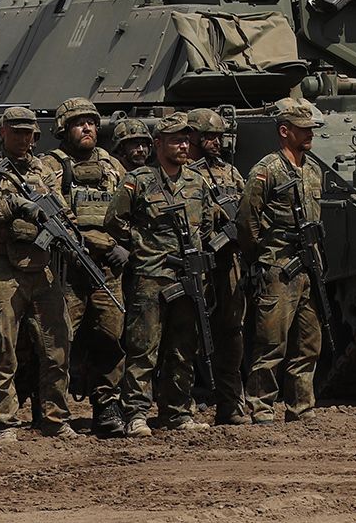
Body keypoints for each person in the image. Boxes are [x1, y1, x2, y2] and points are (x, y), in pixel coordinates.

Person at [0, 106, 78, 441]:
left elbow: (61, 210)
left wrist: (69, 232)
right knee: (2, 347)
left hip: (42, 266)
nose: (22, 138)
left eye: (28, 132)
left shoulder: (44, 170)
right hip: (2, 268)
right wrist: (10, 206)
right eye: (15, 131)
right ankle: (3, 422)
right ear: (2, 133)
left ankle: (54, 417)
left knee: (56, 345)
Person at [105, 113, 211, 435]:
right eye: (175, 139)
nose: (183, 144)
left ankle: (176, 413)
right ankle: (136, 413)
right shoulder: (137, 181)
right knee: (143, 347)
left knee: (183, 348)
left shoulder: (196, 182)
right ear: (158, 144)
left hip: (187, 277)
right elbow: (114, 221)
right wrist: (141, 246)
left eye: (186, 139)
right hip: (150, 276)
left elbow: (205, 223)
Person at [36, 97, 132, 437]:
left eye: (91, 121)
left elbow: (129, 212)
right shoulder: (49, 166)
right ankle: (52, 413)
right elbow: (59, 214)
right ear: (64, 129)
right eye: (79, 123)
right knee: (59, 342)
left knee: (110, 338)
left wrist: (124, 245)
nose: (87, 127)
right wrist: (100, 241)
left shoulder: (113, 167)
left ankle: (107, 407)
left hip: (105, 272)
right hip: (68, 269)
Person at [239, 97, 326, 423]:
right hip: (278, 267)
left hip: (307, 267)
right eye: (303, 129)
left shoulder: (314, 170)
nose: (310, 134)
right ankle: (261, 406)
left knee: (308, 343)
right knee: (270, 342)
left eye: (311, 129)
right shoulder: (266, 171)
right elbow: (247, 219)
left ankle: (301, 406)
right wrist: (263, 257)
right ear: (284, 131)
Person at [187, 108, 249, 425]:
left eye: (218, 136)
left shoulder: (229, 173)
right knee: (186, 333)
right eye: (208, 136)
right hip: (195, 262)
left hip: (228, 263)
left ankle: (231, 402)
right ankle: (179, 403)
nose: (215, 142)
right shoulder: (182, 174)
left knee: (232, 332)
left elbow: (245, 208)